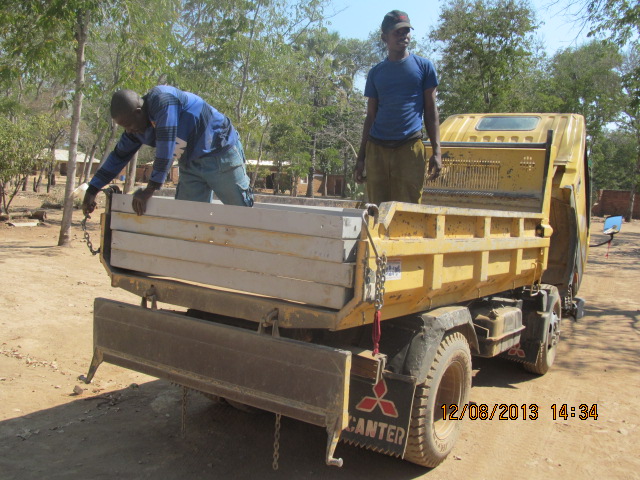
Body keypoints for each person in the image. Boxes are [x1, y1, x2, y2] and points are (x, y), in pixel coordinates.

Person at [82, 85, 254, 216]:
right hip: (190, 162)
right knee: (187, 218)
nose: (128, 131)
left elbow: (167, 145)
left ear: (138, 112)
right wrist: (92, 190)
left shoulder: (162, 100)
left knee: (241, 213)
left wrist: (149, 190)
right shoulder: (137, 129)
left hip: (220, 153)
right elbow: (118, 157)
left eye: (128, 125)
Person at [354, 10, 442, 205]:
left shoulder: (424, 67)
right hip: (377, 149)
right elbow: (370, 116)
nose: (403, 36)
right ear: (385, 37)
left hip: (409, 148)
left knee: (408, 210)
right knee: (376, 210)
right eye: (397, 32)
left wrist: (437, 151)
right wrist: (361, 158)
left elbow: (430, 110)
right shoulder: (376, 73)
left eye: (406, 31)